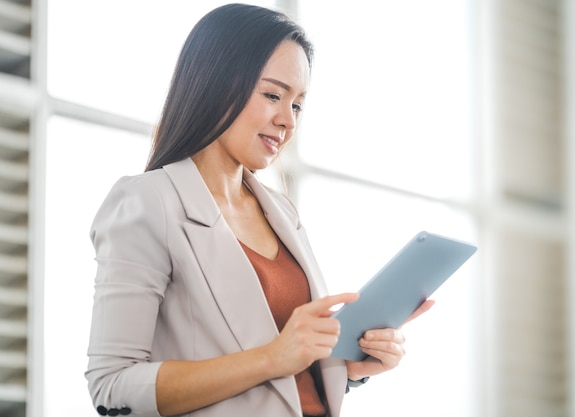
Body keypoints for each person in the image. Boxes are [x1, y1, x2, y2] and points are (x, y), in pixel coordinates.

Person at [85, 3, 434, 417]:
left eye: (297, 105)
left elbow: (286, 386)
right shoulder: (148, 201)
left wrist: (351, 368)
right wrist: (272, 357)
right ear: (216, 84)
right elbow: (112, 388)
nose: (287, 120)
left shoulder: (282, 212)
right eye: (273, 95)